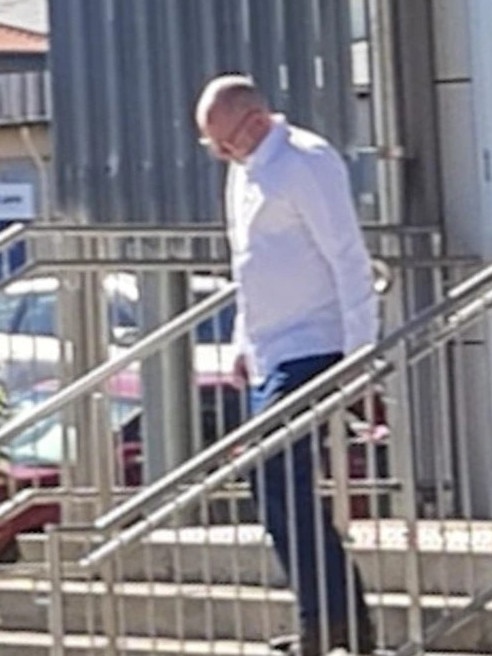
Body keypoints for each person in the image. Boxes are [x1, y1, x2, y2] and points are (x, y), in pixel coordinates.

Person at [195, 74, 377, 656]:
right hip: (271, 348)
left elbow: (347, 256)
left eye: (224, 141)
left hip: (314, 341)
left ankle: (329, 619)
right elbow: (248, 265)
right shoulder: (242, 172)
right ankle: (334, 616)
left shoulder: (305, 161)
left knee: (274, 471)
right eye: (213, 146)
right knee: (272, 482)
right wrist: (241, 345)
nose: (221, 153)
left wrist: (361, 353)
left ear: (255, 120)